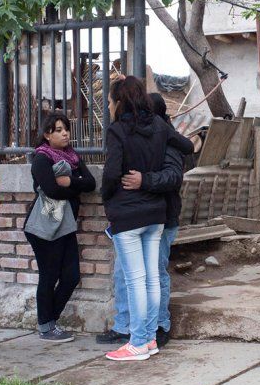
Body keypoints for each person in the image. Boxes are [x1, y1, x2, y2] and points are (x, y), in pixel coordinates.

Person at [100, 77, 191, 361]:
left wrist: (108, 199)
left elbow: (112, 173)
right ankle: (149, 339)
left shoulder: (117, 131)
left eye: (111, 100)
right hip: (155, 215)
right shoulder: (160, 127)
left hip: (128, 215)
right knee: (151, 279)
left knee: (136, 281)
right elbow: (187, 146)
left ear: (120, 101)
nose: (110, 105)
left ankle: (137, 342)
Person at [24, 112, 96, 343]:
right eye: (58, 129)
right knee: (49, 275)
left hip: (65, 226)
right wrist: (76, 186)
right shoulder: (41, 159)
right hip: (45, 228)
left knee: (71, 276)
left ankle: (48, 321)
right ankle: (46, 326)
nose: (65, 133)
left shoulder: (72, 157)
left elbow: (91, 183)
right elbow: (52, 191)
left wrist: (70, 182)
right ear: (47, 135)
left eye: (65, 128)